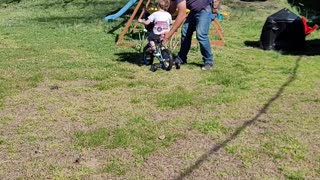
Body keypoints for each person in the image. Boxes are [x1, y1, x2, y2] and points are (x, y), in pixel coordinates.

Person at [164, 0, 217, 70]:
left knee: (201, 34)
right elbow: (173, 9)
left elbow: (182, 15)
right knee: (185, 32)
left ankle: (208, 62)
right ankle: (181, 59)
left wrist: (168, 35)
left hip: (205, 9)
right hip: (194, 11)